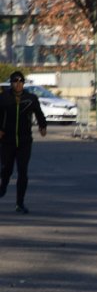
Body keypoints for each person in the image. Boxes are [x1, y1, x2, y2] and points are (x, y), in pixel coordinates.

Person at [0, 71, 48, 214]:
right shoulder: (3, 98)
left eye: (21, 81)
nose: (18, 84)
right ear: (11, 83)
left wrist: (42, 126)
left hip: (24, 141)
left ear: (24, 83)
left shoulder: (30, 98)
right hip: (6, 140)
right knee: (6, 169)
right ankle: (3, 186)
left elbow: (39, 113)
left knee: (22, 171)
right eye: (15, 81)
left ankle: (19, 203)